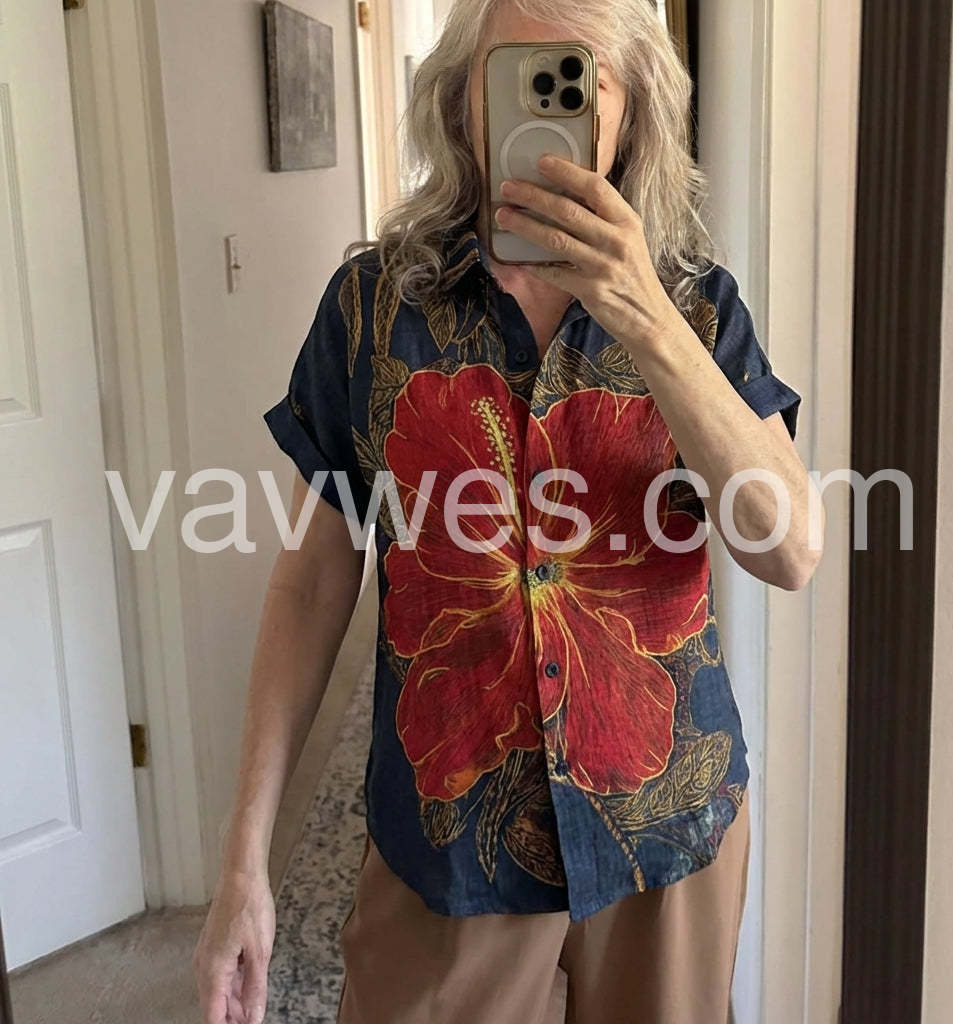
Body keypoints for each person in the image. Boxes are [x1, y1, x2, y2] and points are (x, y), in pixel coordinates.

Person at [193, 1, 824, 1022]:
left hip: (662, 833)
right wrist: (244, 860)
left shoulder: (698, 306)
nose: (537, 109)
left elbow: (789, 548)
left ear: (630, 114)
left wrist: (646, 319)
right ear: (461, 103)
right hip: (448, 843)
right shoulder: (372, 306)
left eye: (573, 78)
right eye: (509, 77)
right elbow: (311, 583)